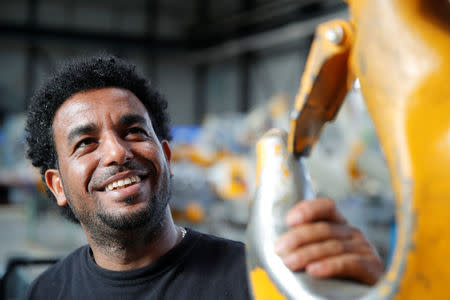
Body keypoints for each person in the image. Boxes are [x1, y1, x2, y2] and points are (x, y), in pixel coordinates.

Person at [24, 55, 383, 299]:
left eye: (134, 131)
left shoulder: (258, 282)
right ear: (57, 185)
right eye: (86, 143)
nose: (118, 152)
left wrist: (377, 291)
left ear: (165, 156)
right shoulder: (48, 291)